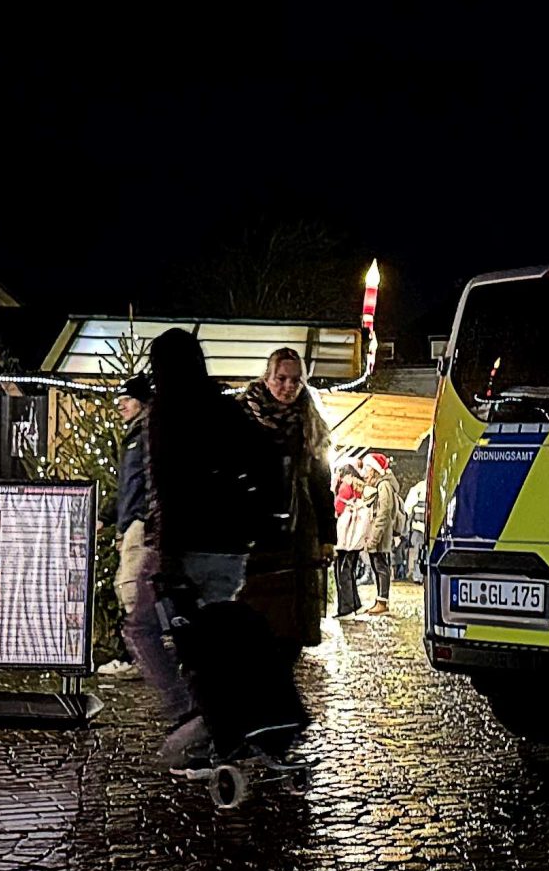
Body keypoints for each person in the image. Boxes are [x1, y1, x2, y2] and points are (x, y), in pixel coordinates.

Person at [142, 327, 279, 765]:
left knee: (149, 629)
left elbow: (168, 489)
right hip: (231, 549)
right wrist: (253, 516)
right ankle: (223, 728)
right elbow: (267, 457)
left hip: (188, 548)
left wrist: (167, 554)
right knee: (214, 642)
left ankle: (199, 723)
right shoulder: (223, 406)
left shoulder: (166, 413)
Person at [235, 347, 336, 653]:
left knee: (289, 622)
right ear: (268, 377)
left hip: (298, 528)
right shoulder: (242, 414)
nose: (288, 387)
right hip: (252, 526)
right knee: (253, 614)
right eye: (281, 378)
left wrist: (327, 538)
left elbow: (321, 483)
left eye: (295, 380)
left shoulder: (311, 421)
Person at [107, 375, 192, 718]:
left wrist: (137, 520)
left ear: (141, 401)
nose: (121, 406)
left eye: (126, 400)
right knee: (134, 590)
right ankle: (155, 654)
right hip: (134, 523)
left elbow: (144, 481)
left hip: (143, 524)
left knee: (133, 592)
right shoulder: (137, 431)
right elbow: (128, 484)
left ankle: (149, 659)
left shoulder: (145, 432)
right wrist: (113, 518)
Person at [362, 451, 406, 604]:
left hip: (381, 534)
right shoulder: (381, 485)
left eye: (367, 470)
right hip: (380, 533)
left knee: (381, 566)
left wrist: (375, 537)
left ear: (374, 470)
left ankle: (382, 601)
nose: (364, 474)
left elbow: (384, 513)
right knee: (378, 565)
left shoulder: (384, 486)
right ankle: (379, 600)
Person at [333, 462, 377, 614]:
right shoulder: (361, 490)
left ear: (349, 476)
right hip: (356, 539)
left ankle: (346, 608)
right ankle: (355, 604)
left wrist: (335, 490)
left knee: (342, 572)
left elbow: (337, 506)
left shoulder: (345, 487)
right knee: (350, 570)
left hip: (346, 539)